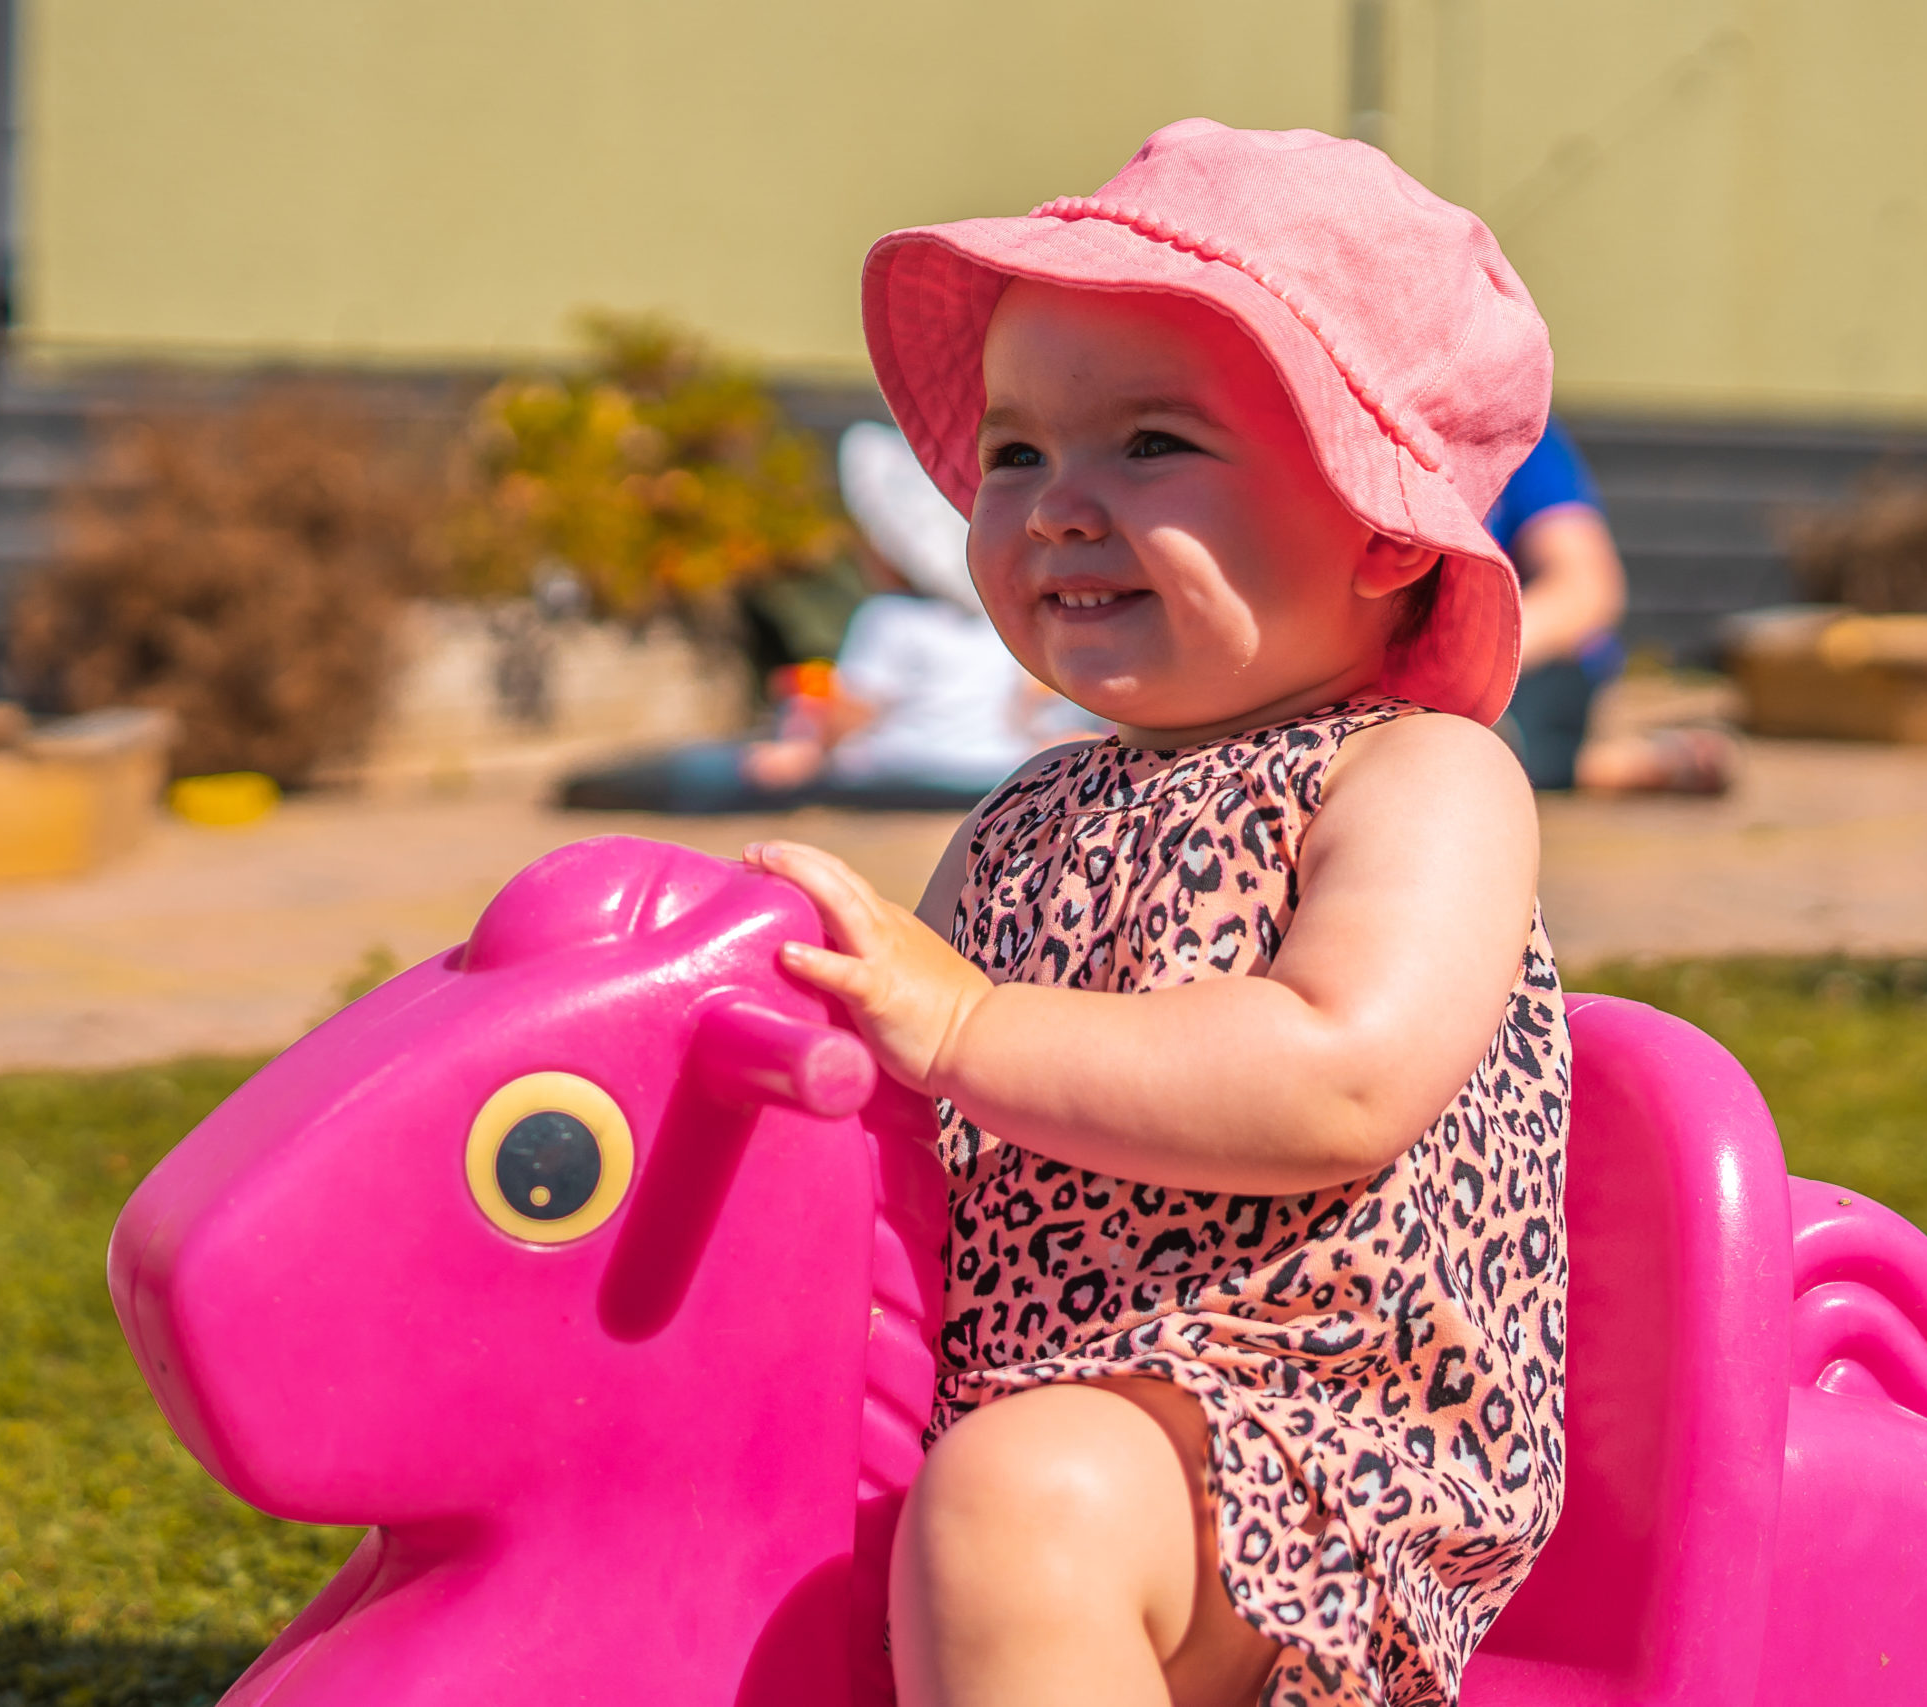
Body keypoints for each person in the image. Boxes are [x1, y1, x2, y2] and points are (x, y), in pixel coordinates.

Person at [744, 120, 1567, 1707]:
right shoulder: (1023, 821)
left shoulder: (1419, 780)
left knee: (1014, 1502)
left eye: (1152, 444)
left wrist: (971, 1024)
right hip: (1018, 1387)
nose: (1058, 505)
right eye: (1016, 453)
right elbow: (906, 1129)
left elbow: (1337, 1074)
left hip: (1307, 1434)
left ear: (1387, 524)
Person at [558, 424, 1087, 812]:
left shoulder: (888, 618)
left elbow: (853, 712)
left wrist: (807, 748)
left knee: (738, 766)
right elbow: (1021, 704)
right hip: (984, 767)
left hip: (901, 768)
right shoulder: (988, 621)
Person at [1491, 420, 1733, 792]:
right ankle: (1606, 765)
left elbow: (1586, 589)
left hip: (1530, 663)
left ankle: (1577, 762)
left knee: (1492, 745)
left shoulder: (1518, 427)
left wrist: (1477, 661)